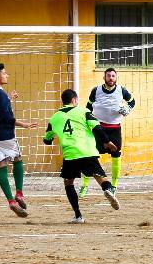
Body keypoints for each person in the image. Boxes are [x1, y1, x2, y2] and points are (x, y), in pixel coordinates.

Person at [44, 89, 120, 224]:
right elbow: (97, 128)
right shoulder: (83, 111)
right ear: (74, 100)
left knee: (68, 183)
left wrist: (54, 136)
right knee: (99, 177)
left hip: (70, 154)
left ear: (63, 101)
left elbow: (47, 140)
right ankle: (108, 190)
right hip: (87, 152)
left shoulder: (54, 118)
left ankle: (78, 215)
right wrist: (107, 142)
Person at [0, 63, 39, 218]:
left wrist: (8, 99)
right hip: (5, 135)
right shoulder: (0, 95)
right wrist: (25, 124)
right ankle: (19, 193)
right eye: (5, 73)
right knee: (18, 160)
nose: (7, 75)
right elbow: (8, 118)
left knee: (1, 167)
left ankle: (11, 202)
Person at [81, 67, 137, 195]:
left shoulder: (121, 90)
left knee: (116, 156)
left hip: (115, 128)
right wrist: (88, 121)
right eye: (108, 76)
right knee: (90, 156)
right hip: (98, 128)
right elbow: (88, 107)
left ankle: (114, 186)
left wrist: (128, 108)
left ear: (116, 78)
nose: (111, 78)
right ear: (104, 77)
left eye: (113, 76)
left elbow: (132, 101)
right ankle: (85, 185)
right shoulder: (96, 90)